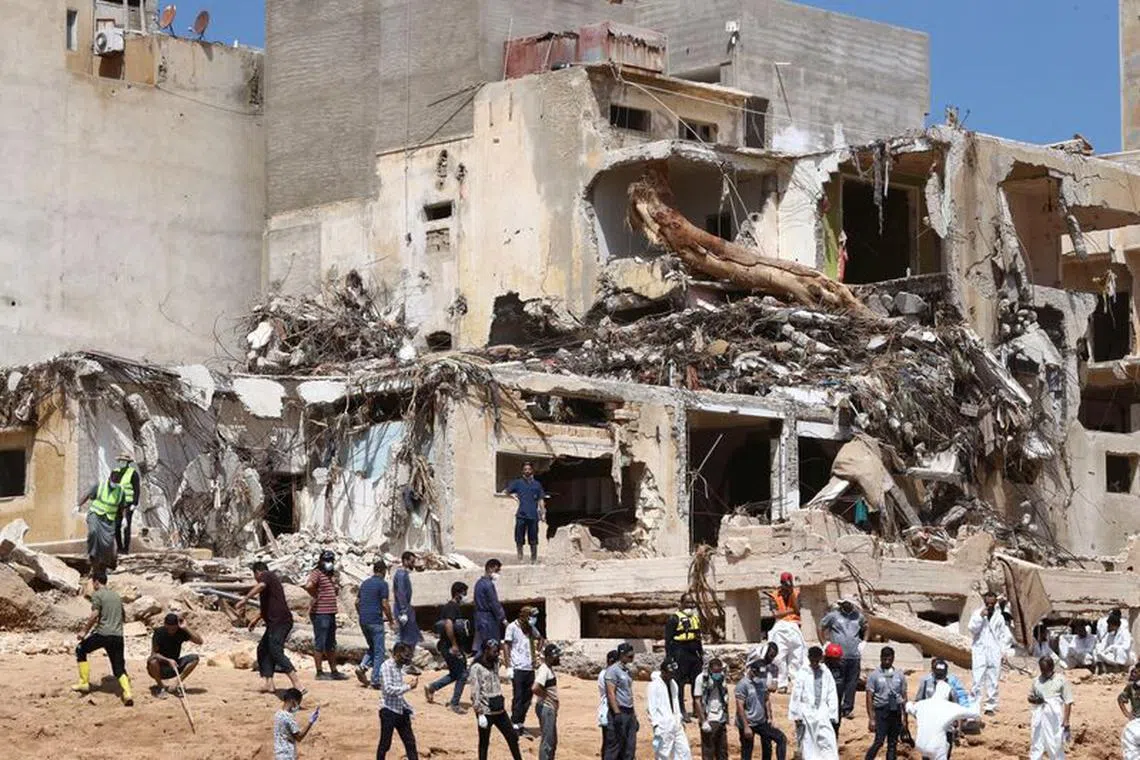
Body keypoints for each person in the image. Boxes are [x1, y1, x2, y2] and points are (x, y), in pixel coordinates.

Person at [237, 561, 305, 694]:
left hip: (280, 621)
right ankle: (269, 684)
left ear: (257, 573)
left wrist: (245, 599)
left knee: (275, 650)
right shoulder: (269, 586)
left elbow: (261, 585)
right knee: (263, 649)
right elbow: (267, 607)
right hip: (273, 623)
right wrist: (256, 620)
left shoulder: (266, 575)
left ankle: (298, 684)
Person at [72, 570, 133, 706]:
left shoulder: (98, 594)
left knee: (81, 649)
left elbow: (94, 614)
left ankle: (84, 683)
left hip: (103, 634)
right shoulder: (116, 596)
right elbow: (123, 616)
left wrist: (84, 631)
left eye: (92, 583)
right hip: (118, 635)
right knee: (118, 667)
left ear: (96, 582)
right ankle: (127, 693)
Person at [471, 639, 524, 760]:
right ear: (486, 651)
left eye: (497, 652)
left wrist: (509, 666)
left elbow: (506, 657)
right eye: (494, 652)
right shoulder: (476, 668)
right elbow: (475, 692)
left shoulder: (495, 663)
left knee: (512, 737)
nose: (496, 654)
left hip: (500, 711)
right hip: (486, 712)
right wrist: (479, 713)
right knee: (484, 742)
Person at [426, 581, 470, 711]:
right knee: (462, 674)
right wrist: (454, 645)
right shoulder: (451, 607)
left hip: (448, 645)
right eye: (464, 593)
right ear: (458, 593)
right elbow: (448, 624)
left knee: (455, 673)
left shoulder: (452, 606)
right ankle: (454, 704)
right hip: (450, 646)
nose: (465, 596)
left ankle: (432, 687)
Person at [789, 646, 838, 760]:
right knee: (808, 743)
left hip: (822, 711)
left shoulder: (825, 672)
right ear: (809, 658)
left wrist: (832, 713)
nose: (815, 663)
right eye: (813, 660)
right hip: (806, 712)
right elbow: (796, 695)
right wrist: (797, 714)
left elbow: (832, 693)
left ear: (821, 658)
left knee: (827, 740)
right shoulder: (803, 672)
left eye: (817, 660)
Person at [819, 598, 865, 717]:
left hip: (854, 655)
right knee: (837, 682)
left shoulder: (858, 616)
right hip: (837, 657)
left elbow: (866, 626)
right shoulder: (833, 616)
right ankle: (835, 707)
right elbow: (821, 627)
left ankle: (847, 708)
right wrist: (825, 643)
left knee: (852, 683)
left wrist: (864, 642)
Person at [304, 549, 346, 680]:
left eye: (331, 561)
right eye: (327, 561)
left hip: (330, 612)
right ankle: (319, 672)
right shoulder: (317, 573)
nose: (329, 563)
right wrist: (316, 595)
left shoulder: (331, 575)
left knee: (331, 643)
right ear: (321, 561)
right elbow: (309, 585)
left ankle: (334, 671)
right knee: (320, 643)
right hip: (320, 613)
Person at [736, 654, 787, 760]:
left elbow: (766, 699)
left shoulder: (761, 681)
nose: (759, 676)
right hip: (748, 722)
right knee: (747, 750)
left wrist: (769, 717)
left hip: (761, 721)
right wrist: (746, 727)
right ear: (752, 671)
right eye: (757, 674)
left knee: (780, 739)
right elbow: (740, 707)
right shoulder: (743, 684)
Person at [76, 468, 127, 573]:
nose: (116, 482)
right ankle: (92, 556)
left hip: (109, 519)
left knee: (108, 543)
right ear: (110, 477)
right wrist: (78, 505)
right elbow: (87, 494)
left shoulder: (120, 491)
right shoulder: (100, 486)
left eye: (118, 480)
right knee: (93, 532)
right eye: (114, 479)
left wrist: (124, 518)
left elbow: (122, 506)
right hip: (95, 514)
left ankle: (105, 565)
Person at [967, 591, 1009, 714]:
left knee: (993, 678)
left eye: (992, 603)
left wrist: (1003, 651)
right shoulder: (977, 614)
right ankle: (974, 705)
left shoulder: (999, 617)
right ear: (984, 602)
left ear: (995, 603)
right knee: (978, 678)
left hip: (994, 650)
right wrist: (980, 617)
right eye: (987, 603)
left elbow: (1002, 636)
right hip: (980, 650)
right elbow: (972, 629)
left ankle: (990, 705)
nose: (990, 605)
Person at [356, 560, 396, 688]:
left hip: (363, 620)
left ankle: (362, 667)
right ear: (383, 571)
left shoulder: (364, 583)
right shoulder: (383, 584)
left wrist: (362, 614)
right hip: (375, 621)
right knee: (379, 651)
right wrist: (391, 620)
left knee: (372, 647)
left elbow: (357, 602)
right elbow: (385, 603)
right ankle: (375, 680)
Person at [864, 646, 908, 760]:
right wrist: (871, 718)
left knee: (893, 743)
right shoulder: (874, 675)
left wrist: (905, 717)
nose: (887, 661)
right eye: (884, 659)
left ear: (893, 658)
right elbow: (869, 697)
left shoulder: (899, 674)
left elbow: (904, 695)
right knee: (879, 741)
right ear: (881, 658)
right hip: (881, 710)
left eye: (889, 659)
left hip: (895, 710)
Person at [378, 642, 420, 760]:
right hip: (388, 710)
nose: (406, 659)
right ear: (396, 654)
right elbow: (388, 689)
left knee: (410, 742)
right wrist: (409, 687)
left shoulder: (399, 667)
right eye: (404, 656)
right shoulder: (387, 666)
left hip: (401, 709)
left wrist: (408, 708)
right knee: (385, 744)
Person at [665, 593, 704, 719]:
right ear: (681, 603)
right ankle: (681, 710)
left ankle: (697, 709)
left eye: (692, 603)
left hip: (694, 653)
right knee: (680, 683)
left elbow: (698, 638)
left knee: (697, 681)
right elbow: (668, 640)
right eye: (687, 603)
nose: (690, 605)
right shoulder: (674, 618)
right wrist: (670, 658)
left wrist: (701, 654)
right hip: (680, 652)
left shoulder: (695, 618)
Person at [765, 572, 805, 691]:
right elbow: (776, 615)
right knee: (779, 656)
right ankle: (782, 684)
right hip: (780, 627)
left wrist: (792, 593)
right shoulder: (774, 595)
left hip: (794, 626)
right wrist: (789, 611)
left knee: (797, 656)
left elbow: (797, 611)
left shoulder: (797, 593)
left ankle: (796, 683)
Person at [146, 612, 202, 697]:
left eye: (174, 629)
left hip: (174, 666)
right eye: (169, 629)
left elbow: (199, 641)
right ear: (165, 625)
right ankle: (161, 687)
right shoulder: (159, 633)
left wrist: (186, 627)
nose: (172, 631)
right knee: (152, 661)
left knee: (194, 658)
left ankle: (176, 684)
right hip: (159, 668)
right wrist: (168, 660)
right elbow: (154, 654)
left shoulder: (181, 631)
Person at [1028, 655, 1073, 760]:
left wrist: (1066, 721)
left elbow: (1068, 701)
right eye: (1042, 670)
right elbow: (1030, 697)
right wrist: (1035, 700)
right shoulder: (1036, 681)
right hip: (1039, 714)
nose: (1044, 673)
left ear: (1052, 668)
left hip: (1054, 717)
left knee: (1055, 743)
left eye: (1046, 670)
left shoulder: (1061, 680)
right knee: (1037, 742)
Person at [504, 605, 541, 731]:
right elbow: (506, 646)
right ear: (525, 616)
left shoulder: (531, 629)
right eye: (532, 617)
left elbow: (540, 638)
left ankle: (521, 722)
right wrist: (508, 666)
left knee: (528, 698)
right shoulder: (512, 627)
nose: (534, 619)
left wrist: (537, 653)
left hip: (529, 668)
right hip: (517, 667)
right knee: (518, 697)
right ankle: (514, 722)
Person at [503, 461, 548, 564]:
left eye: (529, 469)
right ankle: (520, 558)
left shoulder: (537, 484)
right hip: (521, 515)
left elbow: (541, 499)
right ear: (522, 471)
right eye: (525, 469)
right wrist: (514, 496)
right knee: (519, 537)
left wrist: (543, 512)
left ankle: (533, 559)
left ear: (532, 470)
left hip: (533, 516)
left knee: (533, 539)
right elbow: (506, 491)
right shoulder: (518, 483)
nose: (527, 471)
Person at [648, 659, 691, 760]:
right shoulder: (654, 686)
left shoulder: (673, 684)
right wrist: (656, 725)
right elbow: (651, 707)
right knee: (663, 754)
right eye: (670, 674)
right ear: (663, 672)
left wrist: (679, 718)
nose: (672, 676)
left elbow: (676, 703)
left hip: (676, 724)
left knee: (684, 751)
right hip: (663, 725)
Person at [605, 642, 640, 760]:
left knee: (629, 747)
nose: (632, 658)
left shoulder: (627, 671)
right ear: (622, 655)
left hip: (629, 712)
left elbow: (629, 694)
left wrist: (634, 716)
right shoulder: (612, 671)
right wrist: (617, 713)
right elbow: (611, 693)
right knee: (615, 747)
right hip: (619, 711)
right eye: (629, 656)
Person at [693, 657, 730, 760]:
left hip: (721, 718)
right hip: (709, 719)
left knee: (722, 751)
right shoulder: (701, 679)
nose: (717, 673)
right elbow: (697, 700)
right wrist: (703, 721)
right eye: (715, 671)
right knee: (708, 751)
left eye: (719, 671)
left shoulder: (722, 678)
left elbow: (725, 696)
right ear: (710, 669)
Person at [473, 558, 506, 658]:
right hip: (488, 619)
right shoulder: (488, 585)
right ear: (490, 568)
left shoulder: (478, 583)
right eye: (496, 570)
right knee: (491, 646)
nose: (497, 573)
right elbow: (494, 603)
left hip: (479, 618)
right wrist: (503, 619)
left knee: (481, 645)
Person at [533, 643, 561, 760]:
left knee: (552, 740)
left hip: (550, 708)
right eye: (556, 656)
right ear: (549, 657)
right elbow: (535, 688)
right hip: (547, 708)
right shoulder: (544, 670)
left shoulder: (548, 669)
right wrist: (547, 697)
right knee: (548, 741)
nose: (558, 658)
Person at [275, 687, 319, 760]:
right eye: (298, 703)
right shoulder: (289, 718)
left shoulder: (278, 714)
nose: (297, 706)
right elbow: (299, 737)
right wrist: (311, 722)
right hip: (288, 755)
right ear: (293, 701)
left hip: (279, 754)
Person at [111, 452, 141, 554]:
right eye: (120, 461)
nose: (122, 462)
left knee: (126, 526)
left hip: (128, 503)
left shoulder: (133, 473)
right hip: (116, 503)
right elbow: (110, 486)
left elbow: (137, 489)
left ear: (128, 462)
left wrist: (135, 503)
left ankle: (125, 549)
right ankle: (119, 548)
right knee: (116, 526)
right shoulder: (115, 472)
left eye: (124, 461)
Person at [393, 552, 422, 651]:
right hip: (402, 609)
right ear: (405, 561)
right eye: (412, 561)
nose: (413, 564)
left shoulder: (404, 573)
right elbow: (401, 593)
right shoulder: (401, 574)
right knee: (403, 637)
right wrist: (403, 612)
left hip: (405, 608)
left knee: (408, 636)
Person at [599, 650, 620, 757]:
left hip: (613, 712)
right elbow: (611, 694)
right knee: (610, 744)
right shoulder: (606, 674)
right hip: (608, 712)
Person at [1117, 663, 1140, 759]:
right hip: (1136, 722)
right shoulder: (1131, 687)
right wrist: (1127, 714)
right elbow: (1120, 699)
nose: (1134, 673)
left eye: (1136, 671)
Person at [822, 643, 845, 735]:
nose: (836, 662)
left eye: (837, 659)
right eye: (833, 659)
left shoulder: (841, 668)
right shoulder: (822, 670)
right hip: (824, 703)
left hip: (837, 702)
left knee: (835, 724)